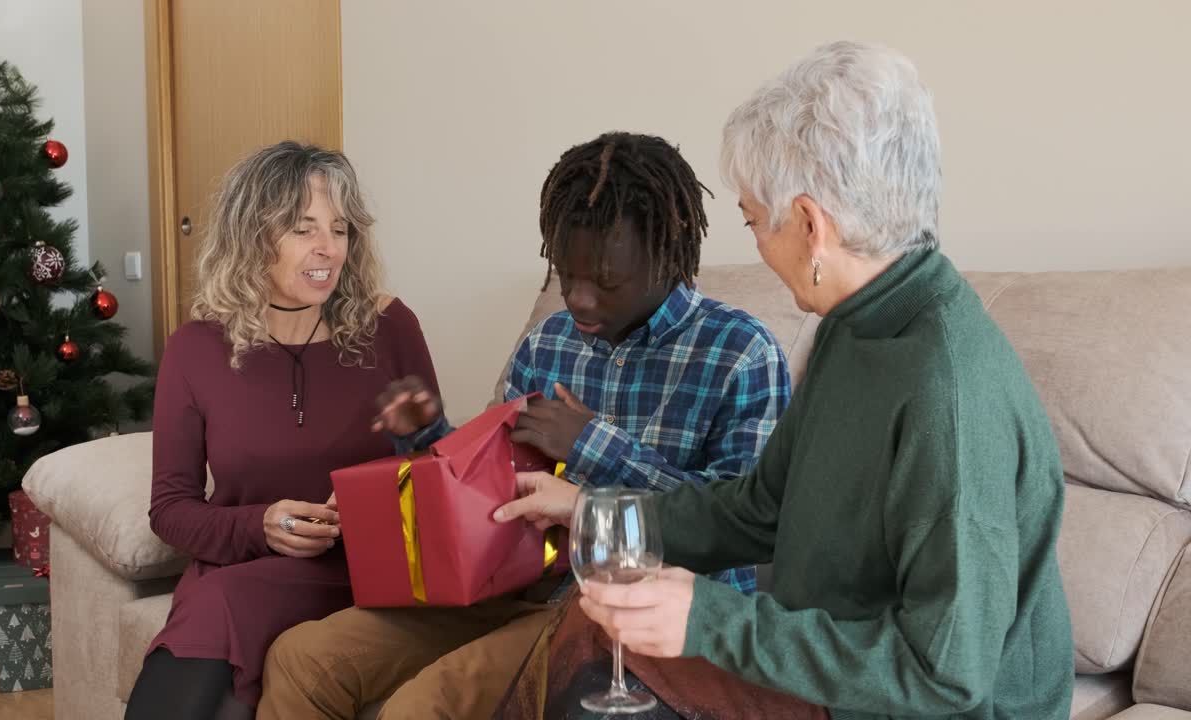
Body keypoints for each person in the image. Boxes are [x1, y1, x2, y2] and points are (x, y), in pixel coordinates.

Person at [493, 42, 1075, 720]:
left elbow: (945, 676)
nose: (757, 246)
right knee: (592, 630)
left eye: (751, 221)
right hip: (830, 673)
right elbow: (764, 508)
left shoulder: (947, 394)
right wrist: (591, 512)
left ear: (809, 224)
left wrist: (708, 620)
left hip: (916, 705)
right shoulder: (852, 327)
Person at [258, 131, 792, 720]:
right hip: (510, 587)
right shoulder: (550, 341)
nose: (581, 302)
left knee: (421, 707)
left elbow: (740, 525)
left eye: (606, 282)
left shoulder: (740, 354)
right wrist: (429, 434)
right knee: (300, 658)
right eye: (567, 277)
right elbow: (488, 486)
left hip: (635, 617)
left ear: (665, 256)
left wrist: (590, 443)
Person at [124, 141, 441, 720]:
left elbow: (439, 471)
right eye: (302, 229)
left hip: (364, 570)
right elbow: (170, 509)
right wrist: (261, 525)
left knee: (217, 609)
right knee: (217, 614)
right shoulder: (195, 350)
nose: (328, 249)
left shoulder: (389, 327)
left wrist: (413, 457)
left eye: (340, 229)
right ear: (251, 238)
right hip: (246, 568)